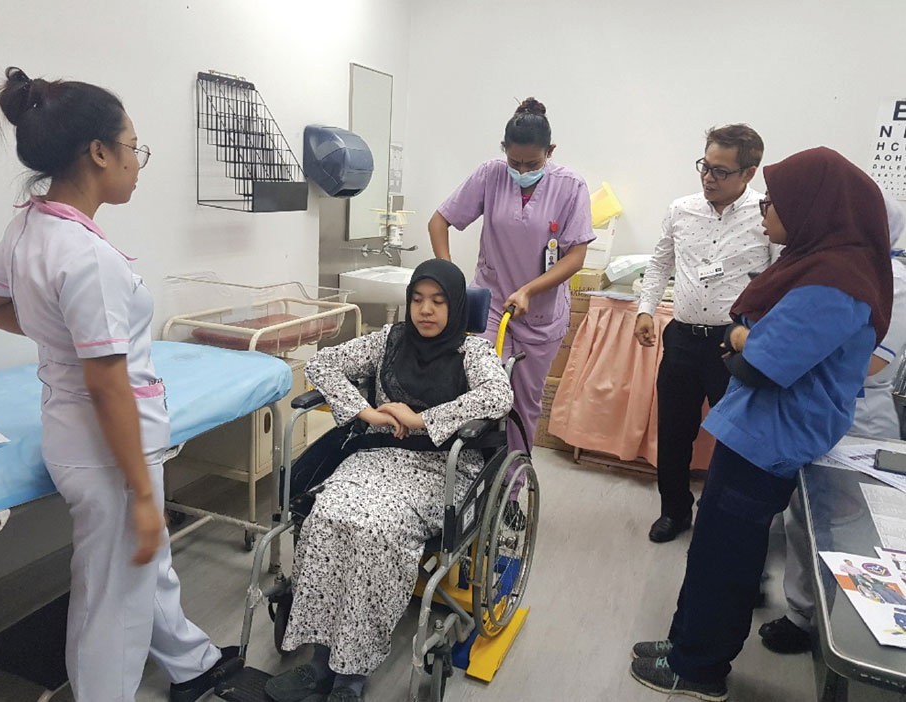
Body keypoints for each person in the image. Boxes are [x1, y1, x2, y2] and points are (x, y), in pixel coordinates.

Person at [0, 68, 236, 702]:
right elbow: (108, 386)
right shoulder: (87, 258)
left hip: (75, 433)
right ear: (98, 153)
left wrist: (55, 336)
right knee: (112, 602)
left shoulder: (30, 226)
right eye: (133, 149)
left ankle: (192, 663)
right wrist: (142, 493)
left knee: (142, 563)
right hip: (108, 448)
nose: (137, 164)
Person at [630, 147, 893, 701]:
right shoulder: (816, 264)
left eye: (775, 200)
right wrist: (745, 338)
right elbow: (754, 342)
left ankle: (699, 668)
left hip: (772, 435)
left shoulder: (834, 282)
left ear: (813, 207)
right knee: (712, 545)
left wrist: (737, 337)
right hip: (758, 427)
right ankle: (684, 643)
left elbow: (758, 364)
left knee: (727, 555)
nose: (766, 209)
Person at [266, 259, 513, 702]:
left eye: (438, 301)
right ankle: (319, 663)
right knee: (328, 516)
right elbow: (322, 363)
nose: (426, 310)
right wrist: (367, 412)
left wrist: (421, 420)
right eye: (417, 299)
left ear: (456, 306)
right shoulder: (389, 341)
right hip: (377, 456)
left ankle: (350, 677)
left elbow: (498, 395)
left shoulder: (472, 353)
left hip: (441, 468)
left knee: (376, 530)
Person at [759, 192, 906, 654]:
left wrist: (785, 358)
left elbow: (873, 364)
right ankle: (802, 612)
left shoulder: (892, 278)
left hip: (859, 420)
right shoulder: (846, 268)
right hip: (823, 408)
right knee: (802, 516)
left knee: (838, 526)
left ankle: (820, 624)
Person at [428, 97, 593, 492]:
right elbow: (439, 222)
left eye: (532, 164)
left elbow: (576, 257)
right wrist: (450, 279)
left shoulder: (571, 187)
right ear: (503, 149)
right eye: (514, 162)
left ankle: (511, 490)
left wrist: (530, 290)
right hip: (490, 307)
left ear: (550, 152)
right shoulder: (490, 175)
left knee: (522, 404)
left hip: (541, 316)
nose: (521, 171)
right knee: (479, 393)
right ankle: (469, 483)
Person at [635, 124, 780, 543]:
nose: (708, 178)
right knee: (674, 432)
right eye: (704, 166)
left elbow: (779, 278)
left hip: (732, 345)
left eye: (720, 171)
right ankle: (674, 511)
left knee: (734, 439)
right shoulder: (681, 209)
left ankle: (721, 519)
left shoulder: (766, 217)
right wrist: (645, 310)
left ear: (748, 173)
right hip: (681, 337)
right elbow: (660, 264)